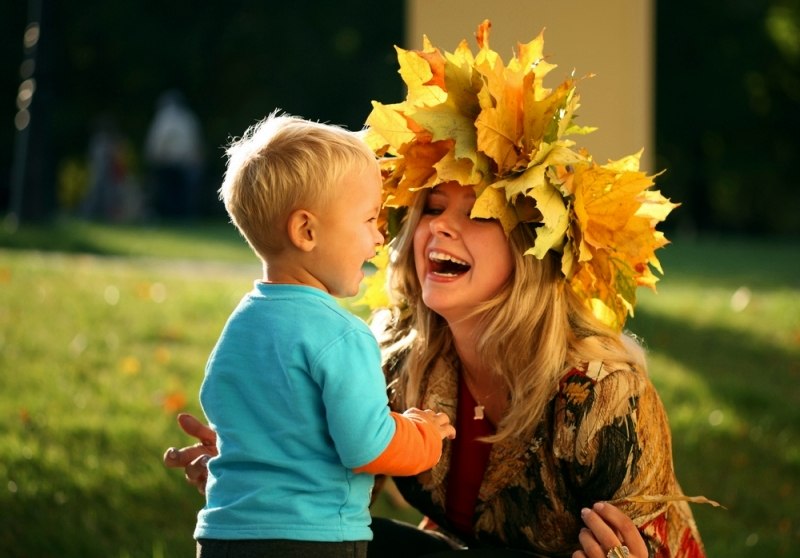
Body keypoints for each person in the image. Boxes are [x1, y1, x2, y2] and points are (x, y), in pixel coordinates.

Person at [165, 21, 708, 558]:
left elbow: (654, 540)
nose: (439, 227)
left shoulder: (602, 394)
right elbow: (342, 479)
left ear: (531, 246)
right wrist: (263, 457)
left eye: (476, 213)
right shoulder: (397, 356)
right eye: (432, 207)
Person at [187, 112, 456, 558]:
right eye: (370, 219)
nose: (378, 237)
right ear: (306, 231)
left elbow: (230, 411)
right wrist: (423, 434)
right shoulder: (341, 335)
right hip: (311, 540)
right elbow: (367, 446)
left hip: (223, 535)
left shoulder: (241, 326)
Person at [143, 89, 204, 219]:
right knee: (182, 194)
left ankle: (171, 217)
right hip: (185, 162)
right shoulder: (188, 117)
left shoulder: (163, 117)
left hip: (167, 162)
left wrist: (152, 158)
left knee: (169, 193)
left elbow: (156, 142)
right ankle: (183, 217)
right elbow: (195, 142)